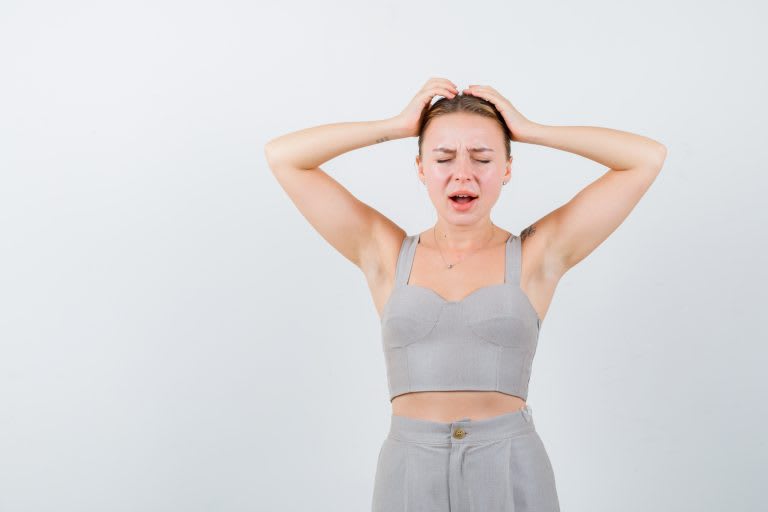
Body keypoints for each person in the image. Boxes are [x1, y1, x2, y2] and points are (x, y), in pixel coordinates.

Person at [264, 77, 666, 511]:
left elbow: (644, 159)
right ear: (420, 168)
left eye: (483, 158)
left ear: (507, 168)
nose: (463, 173)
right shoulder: (386, 252)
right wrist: (396, 125)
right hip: (409, 471)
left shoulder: (535, 255)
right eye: (443, 158)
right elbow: (285, 158)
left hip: (510, 466)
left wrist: (531, 130)